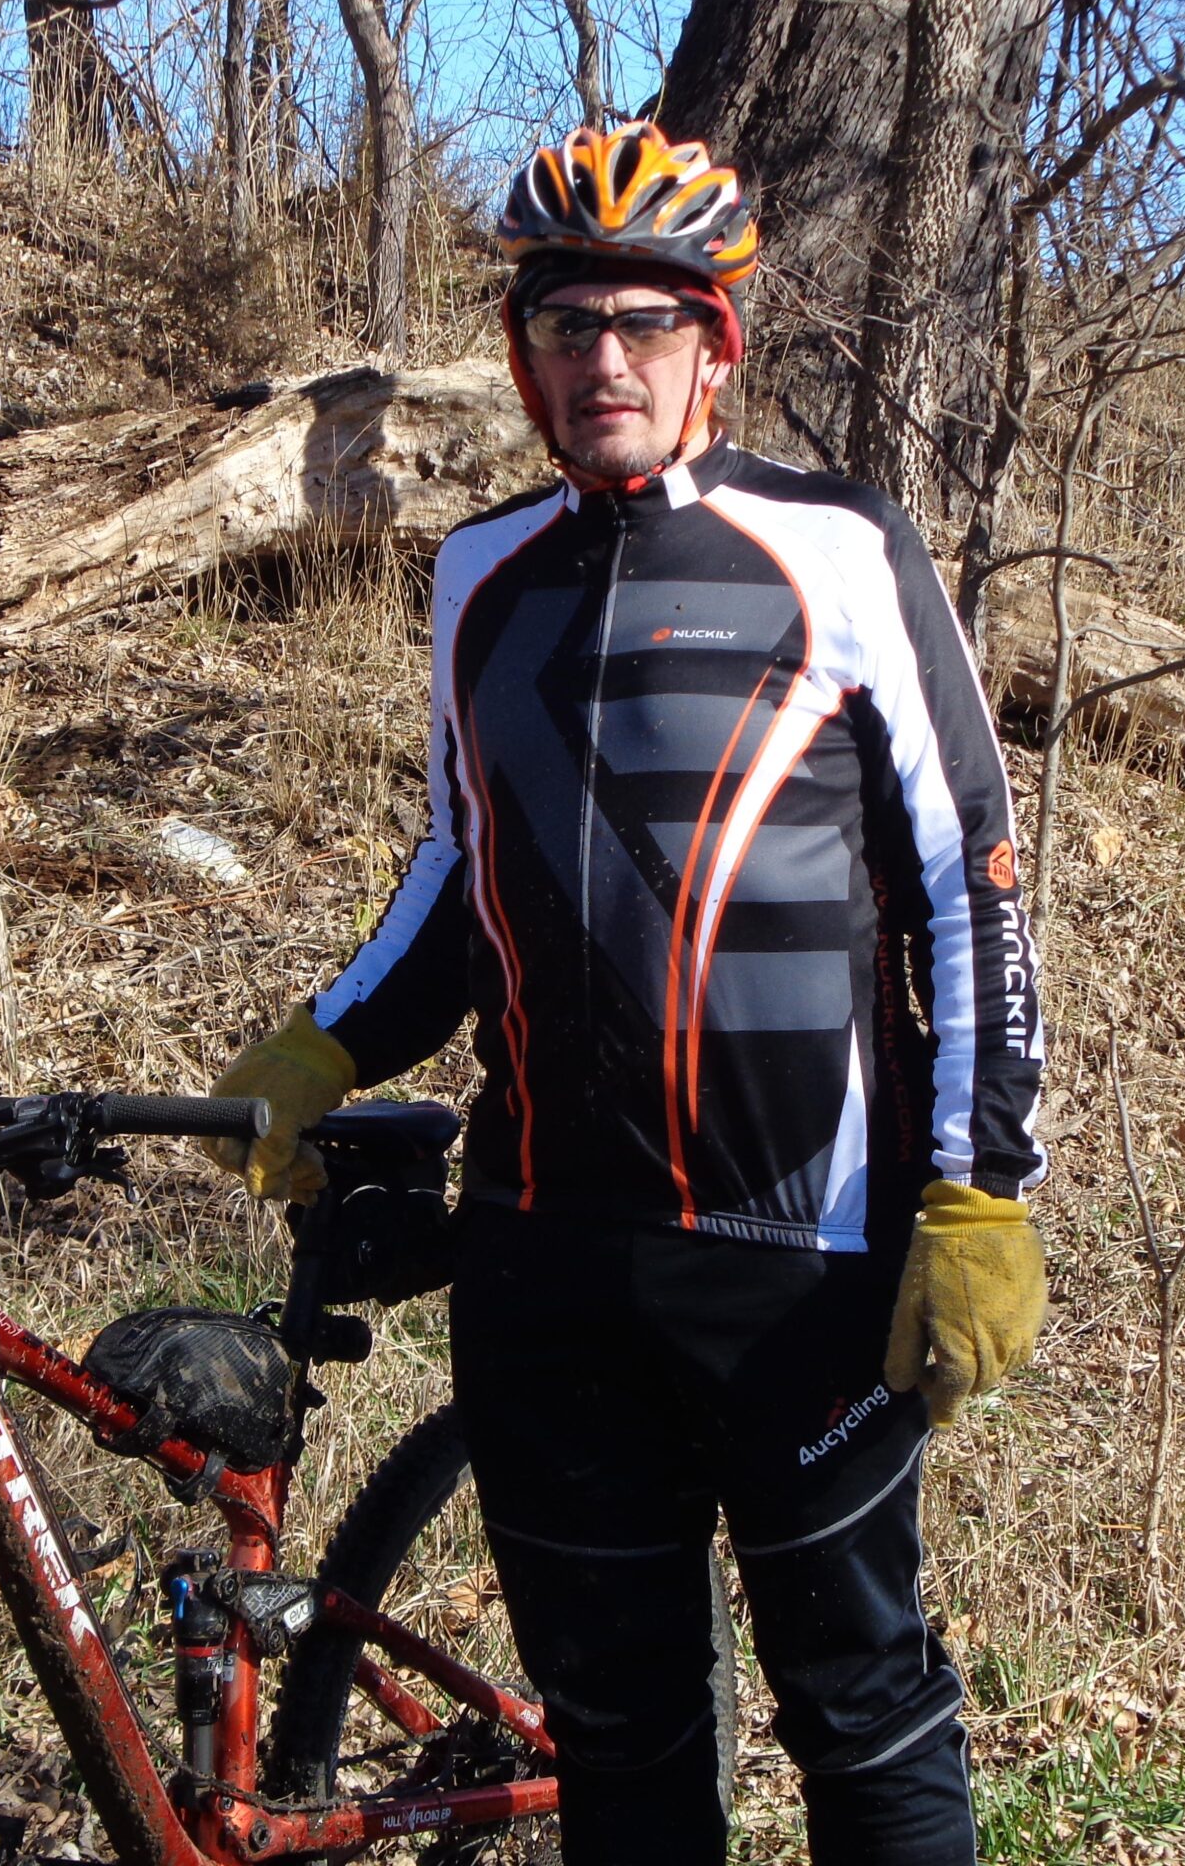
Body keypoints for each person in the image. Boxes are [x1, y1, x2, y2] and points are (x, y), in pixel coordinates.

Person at [204, 120, 1047, 1865]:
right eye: (568, 322)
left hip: (800, 1258)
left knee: (859, 1708)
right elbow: (455, 869)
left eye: (648, 321)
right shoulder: (475, 578)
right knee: (620, 1739)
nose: (606, 359)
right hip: (544, 1256)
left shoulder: (842, 552)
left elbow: (972, 883)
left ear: (715, 343)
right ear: (521, 353)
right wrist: (326, 1040)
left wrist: (983, 1190)